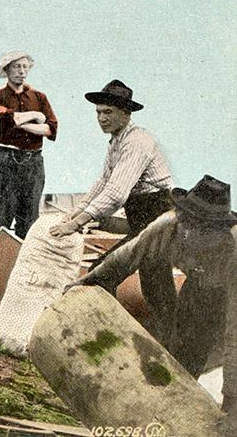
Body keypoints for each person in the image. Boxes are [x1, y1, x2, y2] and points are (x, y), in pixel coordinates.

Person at [69, 175, 236, 431]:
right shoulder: (167, 225)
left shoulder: (232, 252)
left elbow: (233, 336)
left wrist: (232, 402)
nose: (190, 233)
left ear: (219, 232)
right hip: (198, 278)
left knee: (201, 344)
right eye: (188, 222)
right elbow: (122, 260)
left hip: (221, 288)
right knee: (178, 347)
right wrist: (85, 284)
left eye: (203, 229)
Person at [49, 79, 176, 338]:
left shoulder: (138, 142)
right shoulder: (117, 141)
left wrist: (76, 224)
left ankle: (111, 335)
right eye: (98, 112)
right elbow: (102, 183)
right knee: (155, 286)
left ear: (126, 114)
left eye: (108, 112)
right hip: (143, 220)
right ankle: (167, 339)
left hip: (159, 216)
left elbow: (117, 194)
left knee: (109, 271)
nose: (101, 118)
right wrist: (76, 212)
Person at [0, 50, 58, 240]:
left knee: (30, 219)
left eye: (25, 67)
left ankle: (23, 264)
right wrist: (34, 116)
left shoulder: (39, 97)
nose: (22, 71)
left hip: (33, 163)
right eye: (17, 66)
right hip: (5, 160)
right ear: (7, 69)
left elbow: (50, 128)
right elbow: (2, 118)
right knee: (1, 217)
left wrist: (19, 123)